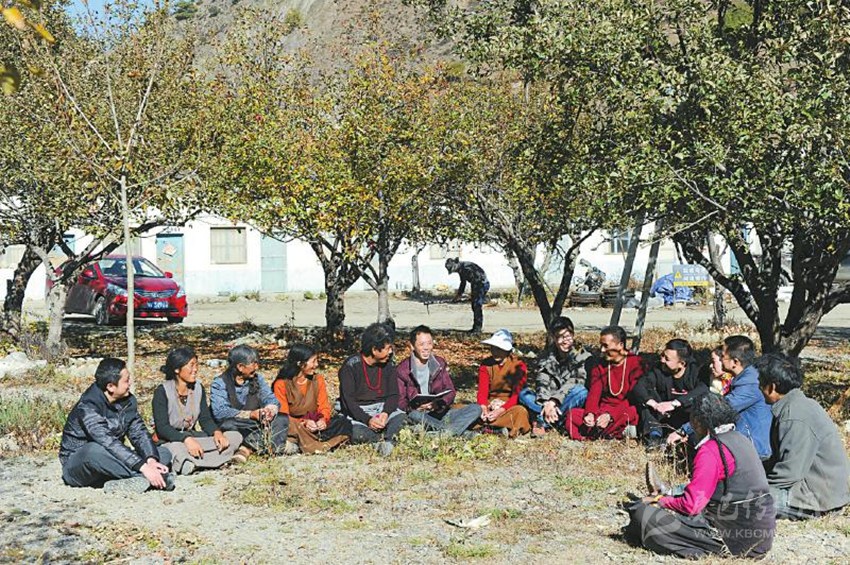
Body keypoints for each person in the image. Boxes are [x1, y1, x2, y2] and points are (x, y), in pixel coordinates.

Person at [625, 394, 776, 559]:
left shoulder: (711, 450)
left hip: (739, 541)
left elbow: (692, 505)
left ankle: (705, 548)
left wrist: (660, 501)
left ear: (697, 421)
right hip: (761, 538)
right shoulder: (742, 439)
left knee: (643, 515)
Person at [60, 358, 175, 493]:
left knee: (163, 452)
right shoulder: (88, 407)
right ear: (110, 386)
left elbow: (139, 433)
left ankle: (127, 480)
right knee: (93, 450)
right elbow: (107, 441)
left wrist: (151, 460)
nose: (130, 383)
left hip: (113, 458)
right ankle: (150, 476)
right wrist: (143, 467)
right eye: (126, 381)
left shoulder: (127, 401)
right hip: (81, 464)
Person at [757, 353, 850, 520]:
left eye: (760, 383)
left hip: (817, 497)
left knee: (742, 498)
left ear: (772, 387)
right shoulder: (797, 404)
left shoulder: (794, 415)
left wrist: (756, 487)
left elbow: (789, 473)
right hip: (821, 490)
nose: (758, 388)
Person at [668, 336, 772, 460]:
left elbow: (718, 411)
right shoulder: (745, 379)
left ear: (735, 362)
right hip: (744, 445)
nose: (720, 359)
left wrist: (683, 430)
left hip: (754, 450)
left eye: (722, 356)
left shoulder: (750, 385)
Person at [152, 347, 243, 475]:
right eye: (191, 365)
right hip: (172, 440)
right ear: (177, 369)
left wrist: (217, 433)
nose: (195, 369)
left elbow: (205, 419)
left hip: (194, 438)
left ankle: (193, 462)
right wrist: (186, 440)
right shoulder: (162, 391)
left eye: (196, 365)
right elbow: (162, 427)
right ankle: (210, 460)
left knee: (234, 437)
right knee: (174, 449)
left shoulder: (198, 388)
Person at [396, 325, 482, 436]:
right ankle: (456, 433)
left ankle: (442, 432)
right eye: (422, 344)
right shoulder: (403, 369)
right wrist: (414, 407)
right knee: (414, 415)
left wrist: (439, 404)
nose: (426, 348)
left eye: (429, 343)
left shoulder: (439, 363)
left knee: (476, 408)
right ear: (412, 346)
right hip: (420, 415)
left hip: (439, 412)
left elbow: (450, 391)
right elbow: (400, 401)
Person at [338, 323, 407, 456]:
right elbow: (348, 401)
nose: (391, 352)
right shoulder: (351, 366)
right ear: (375, 350)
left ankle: (388, 441)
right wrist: (368, 420)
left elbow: (393, 395)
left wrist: (385, 413)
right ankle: (378, 440)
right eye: (388, 348)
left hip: (382, 410)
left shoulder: (389, 364)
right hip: (358, 413)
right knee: (352, 430)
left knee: (401, 418)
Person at [210, 345, 288, 458]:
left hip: (254, 423)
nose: (257, 367)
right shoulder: (220, 383)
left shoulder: (257, 379)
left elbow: (271, 399)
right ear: (240, 367)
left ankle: (247, 448)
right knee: (229, 425)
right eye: (253, 364)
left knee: (282, 419)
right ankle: (258, 445)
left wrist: (269, 410)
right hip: (236, 423)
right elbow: (220, 412)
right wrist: (250, 414)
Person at [518, 316, 592, 436]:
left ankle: (542, 421)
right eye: (560, 337)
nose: (565, 341)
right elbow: (542, 381)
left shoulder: (582, 356)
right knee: (524, 393)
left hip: (566, 399)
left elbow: (576, 381)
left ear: (573, 335)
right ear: (553, 338)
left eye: (567, 336)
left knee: (581, 392)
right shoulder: (547, 356)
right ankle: (553, 419)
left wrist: (554, 401)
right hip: (547, 401)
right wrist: (547, 403)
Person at [273, 343, 351, 454]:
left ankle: (304, 444)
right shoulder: (281, 384)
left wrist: (323, 420)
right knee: (286, 424)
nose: (316, 364)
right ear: (300, 364)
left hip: (315, 425)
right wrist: (304, 422)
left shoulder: (318, 380)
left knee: (343, 422)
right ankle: (315, 444)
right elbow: (283, 416)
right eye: (313, 361)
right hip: (296, 426)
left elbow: (324, 407)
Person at [567, 326, 643, 440]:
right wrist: (590, 413)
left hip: (623, 410)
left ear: (620, 345)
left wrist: (610, 416)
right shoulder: (600, 364)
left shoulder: (636, 363)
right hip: (602, 411)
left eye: (606, 346)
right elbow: (594, 393)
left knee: (632, 412)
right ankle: (614, 432)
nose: (602, 350)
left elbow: (634, 398)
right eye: (601, 345)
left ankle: (605, 432)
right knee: (572, 415)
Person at [631, 339, 708, 447]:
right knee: (645, 404)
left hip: (685, 416)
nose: (662, 360)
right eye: (662, 355)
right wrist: (654, 404)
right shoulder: (658, 369)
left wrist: (675, 403)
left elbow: (703, 390)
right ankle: (654, 438)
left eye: (667, 359)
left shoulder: (696, 373)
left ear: (681, 364)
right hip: (662, 415)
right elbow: (639, 386)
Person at [476, 329, 531, 438]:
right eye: (493, 348)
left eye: (498, 349)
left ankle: (489, 427)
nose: (494, 351)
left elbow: (516, 395)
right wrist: (484, 407)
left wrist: (501, 409)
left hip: (509, 406)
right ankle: (494, 427)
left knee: (521, 412)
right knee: (470, 410)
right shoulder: (485, 365)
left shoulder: (519, 366)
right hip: (490, 403)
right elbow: (482, 391)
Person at [445, 257, 490, 333]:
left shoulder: (466, 267)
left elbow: (477, 279)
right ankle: (476, 327)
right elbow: (463, 282)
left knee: (476, 305)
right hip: (478, 285)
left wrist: (472, 294)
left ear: (456, 263)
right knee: (474, 305)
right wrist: (458, 295)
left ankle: (477, 329)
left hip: (481, 284)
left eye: (453, 269)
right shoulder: (461, 268)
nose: (454, 271)